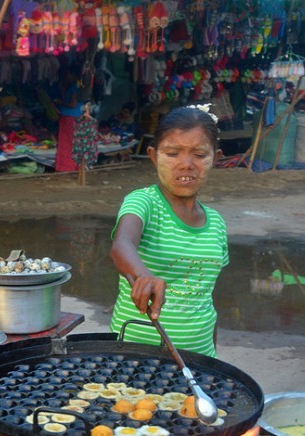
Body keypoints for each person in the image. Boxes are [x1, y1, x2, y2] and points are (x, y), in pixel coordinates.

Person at [109, 105, 227, 358]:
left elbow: (206, 297)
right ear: (153, 156)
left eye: (199, 154)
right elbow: (122, 245)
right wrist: (144, 277)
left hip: (199, 358)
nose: (186, 164)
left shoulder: (216, 222)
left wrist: (212, 359)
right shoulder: (143, 203)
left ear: (215, 158)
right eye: (173, 153)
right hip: (135, 356)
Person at [54, 63, 85, 172]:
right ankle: (70, 166)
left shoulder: (74, 87)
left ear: (72, 74)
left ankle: (67, 166)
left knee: (67, 142)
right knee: (71, 142)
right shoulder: (79, 86)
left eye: (68, 74)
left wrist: (60, 102)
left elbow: (72, 104)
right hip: (73, 117)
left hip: (69, 117)